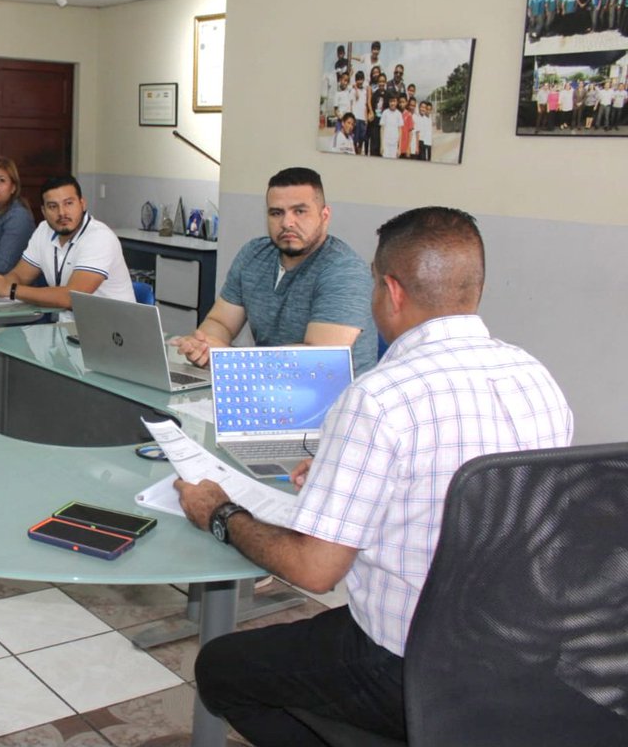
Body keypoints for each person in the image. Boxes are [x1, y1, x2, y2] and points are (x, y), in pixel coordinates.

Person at [175, 206, 573, 746]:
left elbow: (314, 571)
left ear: (392, 290)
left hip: (404, 662)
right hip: (522, 655)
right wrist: (350, 468)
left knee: (223, 669)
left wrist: (219, 512)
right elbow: (467, 486)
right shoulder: (537, 377)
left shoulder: (379, 398)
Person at [173, 167, 377, 374]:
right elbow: (220, 322)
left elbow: (316, 361)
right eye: (276, 213)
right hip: (267, 387)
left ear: (324, 216)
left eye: (300, 211)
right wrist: (204, 345)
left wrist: (229, 357)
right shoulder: (253, 254)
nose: (287, 223)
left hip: (334, 399)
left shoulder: (344, 271)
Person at [0, 175, 133, 317]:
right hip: (69, 327)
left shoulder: (99, 237)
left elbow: (71, 297)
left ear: (82, 204)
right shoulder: (44, 229)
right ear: (43, 211)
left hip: (114, 334)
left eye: (69, 203)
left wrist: (10, 289)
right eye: (52, 206)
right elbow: (21, 275)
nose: (62, 213)